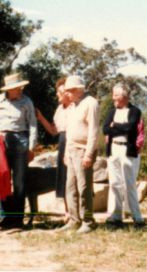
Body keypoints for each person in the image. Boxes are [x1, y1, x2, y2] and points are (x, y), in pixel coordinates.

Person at [0, 72, 37, 229]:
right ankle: (6, 218)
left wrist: (31, 147)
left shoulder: (26, 101)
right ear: (8, 89)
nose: (20, 89)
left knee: (20, 181)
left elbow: (33, 124)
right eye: (16, 87)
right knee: (3, 180)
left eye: (20, 87)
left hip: (21, 141)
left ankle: (17, 219)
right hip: (1, 143)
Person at [59, 75, 99, 233]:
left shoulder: (91, 104)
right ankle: (74, 220)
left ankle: (88, 221)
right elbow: (70, 130)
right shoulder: (73, 105)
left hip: (83, 151)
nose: (67, 94)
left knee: (84, 188)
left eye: (70, 91)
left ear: (78, 90)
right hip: (72, 151)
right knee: (70, 187)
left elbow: (93, 131)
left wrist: (89, 154)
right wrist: (67, 152)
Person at [103, 82, 144, 227]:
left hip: (128, 151)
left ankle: (137, 217)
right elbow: (105, 129)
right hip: (113, 150)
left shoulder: (135, 111)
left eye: (116, 95)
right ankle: (115, 216)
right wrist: (118, 128)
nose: (113, 98)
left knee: (129, 184)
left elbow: (131, 128)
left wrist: (116, 126)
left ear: (124, 96)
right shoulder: (111, 111)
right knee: (114, 183)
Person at [35, 77, 72, 219]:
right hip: (63, 143)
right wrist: (40, 117)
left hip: (73, 143)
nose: (57, 95)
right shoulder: (59, 110)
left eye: (59, 92)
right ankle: (68, 213)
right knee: (64, 179)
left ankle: (80, 214)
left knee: (73, 179)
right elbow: (53, 130)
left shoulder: (76, 108)